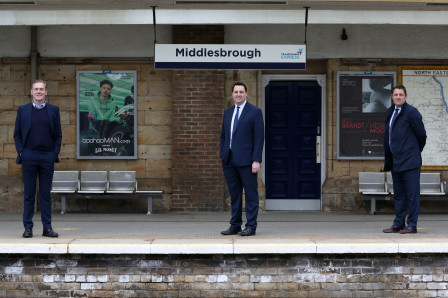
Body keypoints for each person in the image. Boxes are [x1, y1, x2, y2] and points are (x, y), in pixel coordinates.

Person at [14, 80, 62, 238]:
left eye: (42, 89)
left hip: (47, 156)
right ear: (31, 91)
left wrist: (54, 153)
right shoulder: (23, 110)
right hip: (29, 155)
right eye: (36, 89)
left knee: (45, 194)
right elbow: (17, 133)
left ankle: (47, 228)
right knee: (29, 194)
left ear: (46, 92)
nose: (39, 91)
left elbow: (58, 134)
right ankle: (28, 228)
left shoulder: (54, 110)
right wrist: (21, 152)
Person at [220, 82, 264, 236]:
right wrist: (223, 154)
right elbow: (224, 136)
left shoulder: (255, 112)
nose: (238, 94)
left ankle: (251, 226)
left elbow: (259, 138)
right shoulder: (228, 112)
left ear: (246, 94)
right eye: (235, 92)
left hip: (247, 161)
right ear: (232, 94)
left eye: (241, 92)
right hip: (229, 160)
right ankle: (235, 225)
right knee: (235, 195)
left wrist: (256, 160)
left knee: (251, 195)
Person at [382, 85, 426, 234]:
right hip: (396, 161)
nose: (398, 97)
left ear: (405, 96)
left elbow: (422, 135)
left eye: (401, 94)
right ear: (392, 97)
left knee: (412, 195)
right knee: (399, 195)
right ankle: (399, 223)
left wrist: (412, 150)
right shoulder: (390, 112)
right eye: (396, 94)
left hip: (410, 161)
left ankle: (412, 225)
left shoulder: (412, 113)